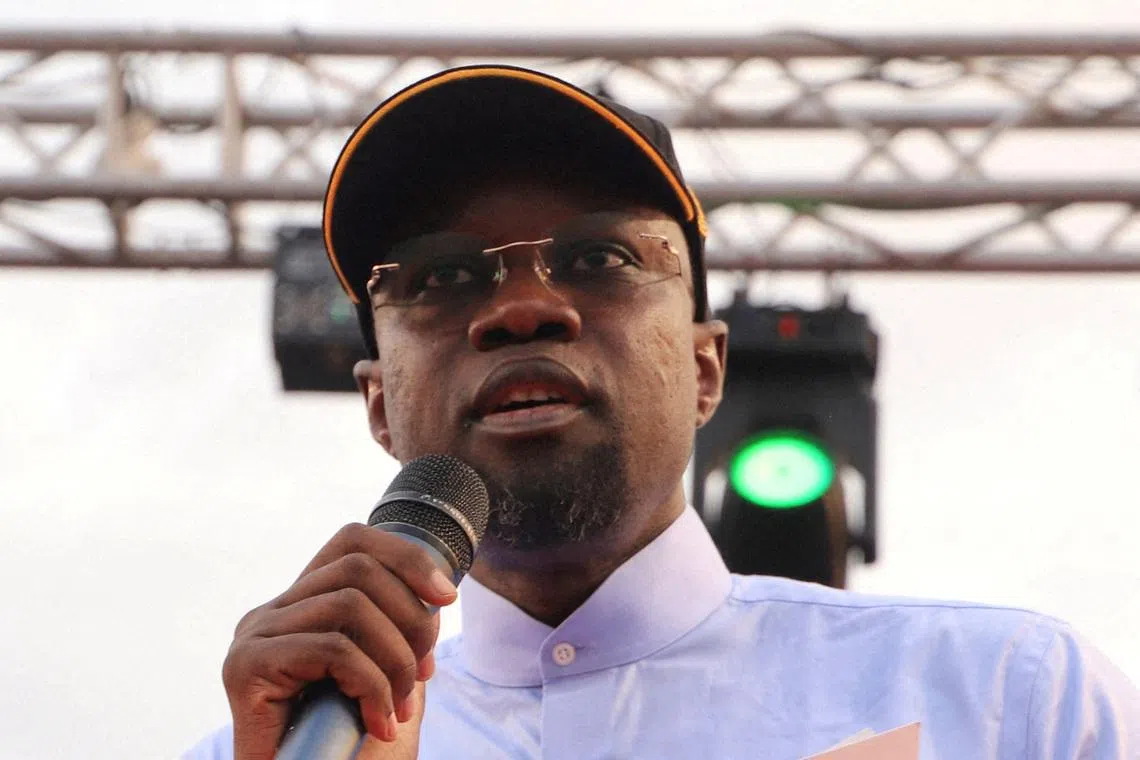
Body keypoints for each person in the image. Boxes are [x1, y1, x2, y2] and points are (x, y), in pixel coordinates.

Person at [184, 65, 1139, 760]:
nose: (522, 308)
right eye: (442, 276)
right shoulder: (279, 748)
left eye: (600, 259)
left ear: (705, 366)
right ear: (380, 403)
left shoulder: (1008, 700)